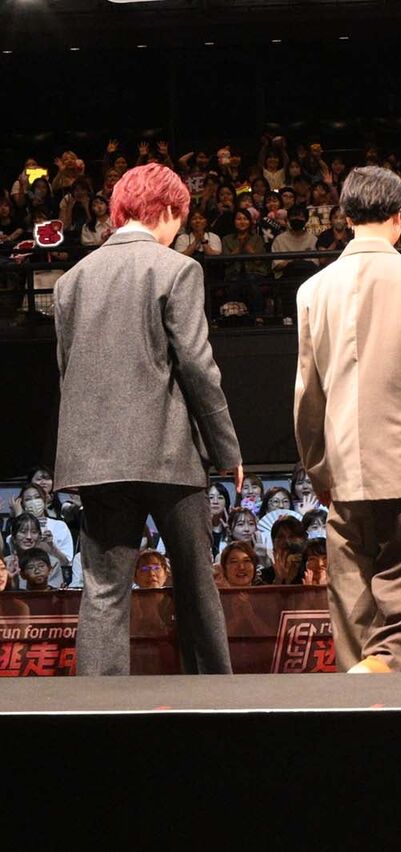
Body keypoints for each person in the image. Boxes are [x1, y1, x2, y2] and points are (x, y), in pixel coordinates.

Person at [53, 162, 242, 676]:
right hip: (169, 454)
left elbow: (67, 371)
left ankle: (99, 711)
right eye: (180, 218)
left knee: (103, 590)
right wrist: (226, 449)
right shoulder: (177, 269)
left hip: (97, 460)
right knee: (195, 582)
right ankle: (214, 701)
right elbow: (198, 367)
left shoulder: (71, 281)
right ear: (168, 210)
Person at [295, 166, 401, 673]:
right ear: (399, 217)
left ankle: (359, 703)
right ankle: (380, 683)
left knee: (352, 606)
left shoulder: (312, 289)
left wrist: (318, 469)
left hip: (342, 471)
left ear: (346, 217)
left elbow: (307, 394)